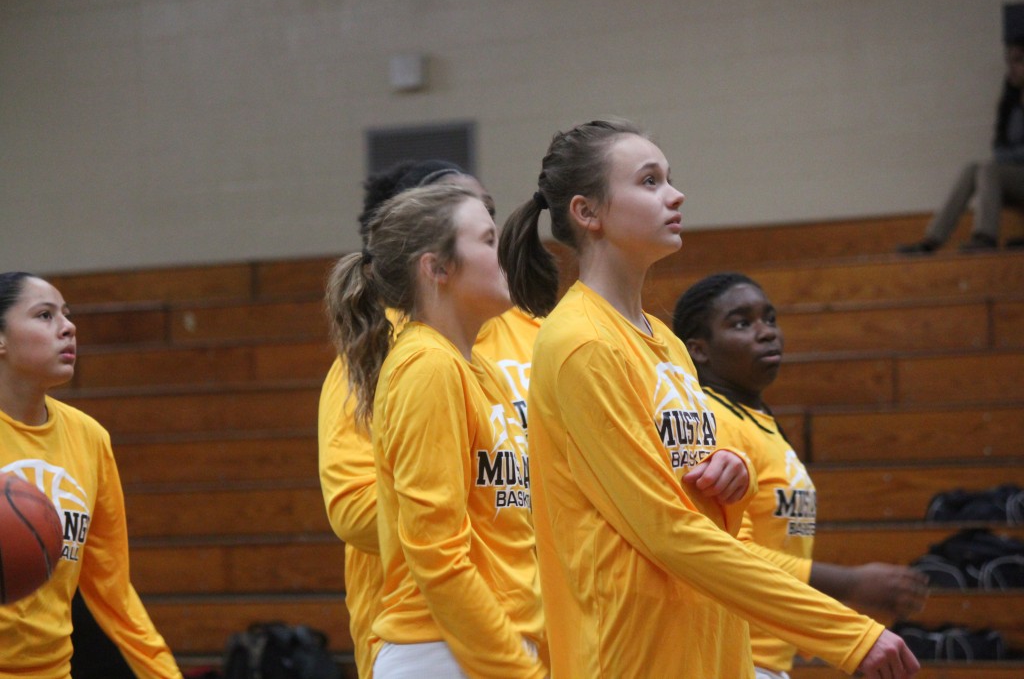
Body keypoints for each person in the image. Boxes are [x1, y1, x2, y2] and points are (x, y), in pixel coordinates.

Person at [498, 118, 920, 678]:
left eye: (669, 178)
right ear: (587, 212)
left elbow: (718, 523)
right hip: (631, 656)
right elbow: (666, 529)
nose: (675, 194)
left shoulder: (665, 340)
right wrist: (846, 631)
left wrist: (732, 475)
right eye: (649, 181)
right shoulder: (581, 343)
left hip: (714, 649)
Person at [318, 160, 540, 676]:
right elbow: (437, 552)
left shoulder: (471, 365)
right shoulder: (425, 365)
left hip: (492, 634)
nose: (503, 250)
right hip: (445, 644)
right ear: (436, 267)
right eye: (486, 238)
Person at [673, 271, 930, 679]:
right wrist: (849, 583)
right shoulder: (711, 420)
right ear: (699, 351)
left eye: (770, 319)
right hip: (727, 658)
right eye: (742, 323)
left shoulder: (760, 420)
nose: (765, 333)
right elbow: (724, 550)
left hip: (767, 658)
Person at [0, 271, 182, 679]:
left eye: (67, 314)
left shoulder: (90, 438)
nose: (68, 327)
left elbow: (113, 590)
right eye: (45, 316)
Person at [898, 40, 1024, 253]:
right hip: (1017, 173)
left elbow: (1007, 154)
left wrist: (1009, 156)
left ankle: (985, 237)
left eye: (1019, 61)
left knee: (989, 169)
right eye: (1009, 62)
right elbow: (998, 147)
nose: (1011, 68)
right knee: (972, 169)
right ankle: (932, 240)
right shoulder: (1010, 104)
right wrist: (1011, 156)